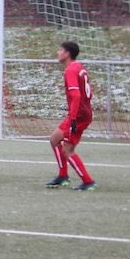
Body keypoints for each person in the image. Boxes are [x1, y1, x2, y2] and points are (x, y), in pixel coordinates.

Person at [46, 41, 96, 191]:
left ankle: (88, 181)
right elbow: (88, 93)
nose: (58, 52)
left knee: (68, 151)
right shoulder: (79, 67)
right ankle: (63, 176)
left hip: (78, 115)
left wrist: (73, 117)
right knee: (55, 139)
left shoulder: (71, 70)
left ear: (67, 54)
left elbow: (76, 95)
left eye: (60, 50)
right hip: (81, 112)